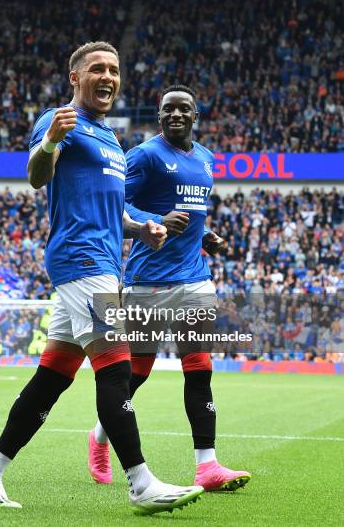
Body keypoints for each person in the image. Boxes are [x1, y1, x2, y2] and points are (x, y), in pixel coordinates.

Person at [0, 46, 204, 514]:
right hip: (81, 261)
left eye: (114, 70)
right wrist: (51, 141)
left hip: (101, 261)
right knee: (116, 368)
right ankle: (141, 482)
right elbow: (37, 176)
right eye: (97, 68)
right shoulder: (62, 121)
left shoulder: (112, 140)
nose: (107, 76)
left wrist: (144, 227)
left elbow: (114, 208)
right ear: (75, 77)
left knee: (52, 376)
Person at [88, 84, 251, 492]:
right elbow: (113, 202)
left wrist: (206, 235)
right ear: (159, 117)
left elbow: (193, 213)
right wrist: (155, 218)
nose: (175, 115)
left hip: (195, 280)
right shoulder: (143, 155)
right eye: (167, 110)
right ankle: (99, 437)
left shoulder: (207, 159)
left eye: (184, 109)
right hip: (149, 282)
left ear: (196, 115)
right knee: (136, 373)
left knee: (199, 370)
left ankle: (207, 466)